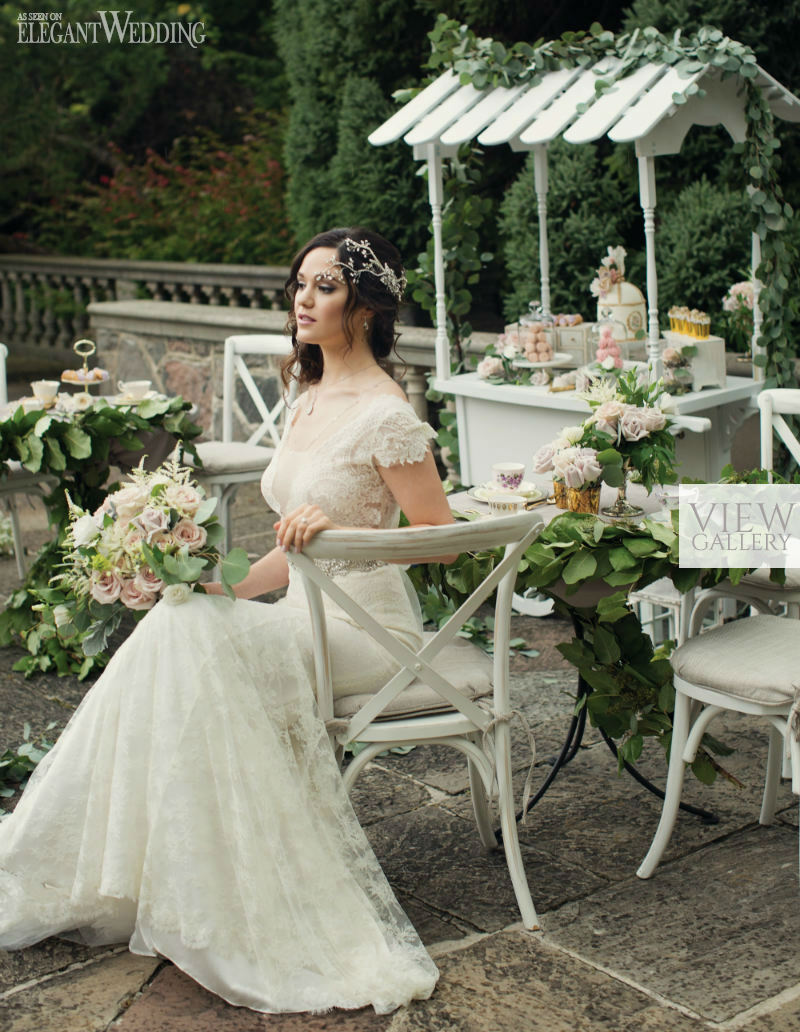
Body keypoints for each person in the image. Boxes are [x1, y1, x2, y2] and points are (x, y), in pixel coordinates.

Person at [0, 228, 457, 1014]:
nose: (303, 301)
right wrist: (220, 589)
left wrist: (341, 537)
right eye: (300, 286)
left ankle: (180, 882)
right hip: (303, 616)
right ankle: (156, 872)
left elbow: (439, 540)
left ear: (366, 306)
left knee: (183, 644)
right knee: (183, 617)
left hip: (370, 633)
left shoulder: (387, 415)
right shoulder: (308, 394)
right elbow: (289, 560)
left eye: (324, 288)